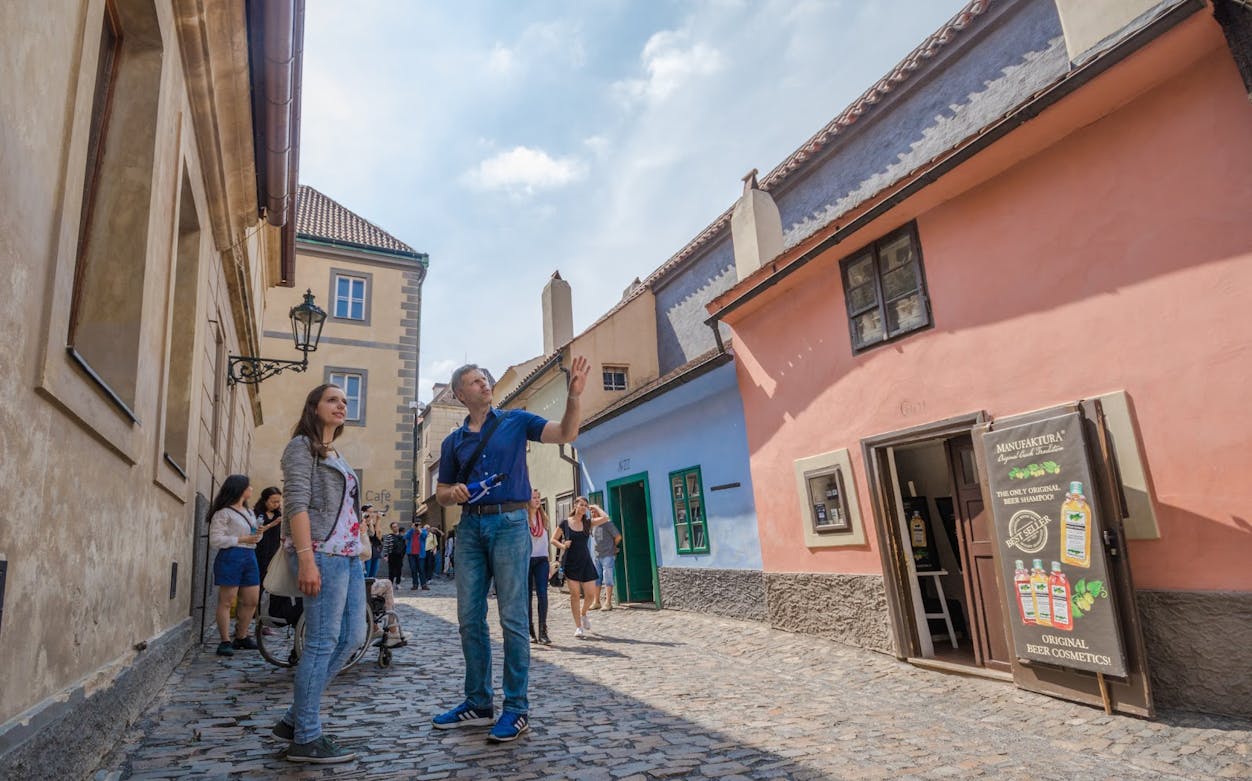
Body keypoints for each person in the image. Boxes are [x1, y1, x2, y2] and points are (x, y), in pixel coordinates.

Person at [431, 357, 589, 743]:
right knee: (469, 617)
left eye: (484, 378)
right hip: (470, 526)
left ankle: (516, 708)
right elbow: (441, 493)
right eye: (474, 381)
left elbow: (566, 433)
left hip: (511, 523)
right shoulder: (452, 441)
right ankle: (478, 703)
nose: (484, 384)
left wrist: (573, 396)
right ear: (459, 394)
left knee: (513, 619)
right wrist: (453, 492)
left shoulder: (517, 420)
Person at [271, 383, 366, 764]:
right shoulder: (301, 447)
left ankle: (296, 718)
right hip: (321, 553)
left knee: (354, 635)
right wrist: (306, 559)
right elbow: (295, 503)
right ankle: (306, 738)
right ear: (313, 407)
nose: (341, 405)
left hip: (348, 554)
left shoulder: (335, 452)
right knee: (322, 641)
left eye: (344, 401)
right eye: (332, 400)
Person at [208, 474, 262, 656]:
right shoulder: (223, 513)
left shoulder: (249, 512)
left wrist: (258, 534)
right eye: (249, 486)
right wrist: (241, 538)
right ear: (240, 489)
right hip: (231, 555)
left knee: (252, 599)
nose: (251, 489)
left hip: (250, 554)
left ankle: (242, 636)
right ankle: (224, 641)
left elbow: (254, 536)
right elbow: (215, 539)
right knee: (227, 600)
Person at [552, 497, 612, 638]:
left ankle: (583, 613)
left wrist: (595, 507)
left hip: (585, 562)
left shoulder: (587, 523)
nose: (584, 507)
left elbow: (606, 518)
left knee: (590, 595)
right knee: (575, 595)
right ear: (575, 505)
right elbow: (553, 539)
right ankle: (578, 626)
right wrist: (562, 545)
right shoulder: (565, 523)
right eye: (581, 505)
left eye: (585, 505)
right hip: (570, 563)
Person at [526, 490, 552, 645]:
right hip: (527, 560)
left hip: (542, 559)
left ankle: (543, 630)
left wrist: (549, 560)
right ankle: (530, 630)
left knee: (542, 594)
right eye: (533, 498)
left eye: (538, 498)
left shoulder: (543, 518)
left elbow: (546, 541)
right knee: (527, 596)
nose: (536, 500)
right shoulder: (523, 519)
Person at [590, 510, 622, 610]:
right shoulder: (593, 525)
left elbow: (618, 537)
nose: (593, 514)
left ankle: (608, 602)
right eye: (591, 512)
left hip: (608, 555)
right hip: (596, 556)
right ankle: (596, 602)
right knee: (596, 579)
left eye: (595, 511)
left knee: (608, 577)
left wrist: (613, 547)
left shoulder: (608, 524)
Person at [252, 486, 284, 584]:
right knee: (258, 580)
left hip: (274, 552)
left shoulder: (279, 515)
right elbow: (254, 533)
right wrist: (271, 524)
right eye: (273, 501)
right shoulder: (256, 513)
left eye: (278, 501)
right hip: (258, 551)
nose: (276, 504)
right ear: (265, 501)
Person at [405, 522, 429, 590]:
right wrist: (412, 529)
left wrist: (419, 530)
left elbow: (425, 536)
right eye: (416, 524)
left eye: (418, 525)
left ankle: (423, 584)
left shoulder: (423, 531)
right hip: (411, 554)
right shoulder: (411, 531)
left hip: (420, 554)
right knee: (413, 569)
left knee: (421, 569)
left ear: (421, 525)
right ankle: (415, 584)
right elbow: (405, 537)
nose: (417, 526)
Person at [362, 505, 383, 579]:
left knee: (372, 576)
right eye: (370, 512)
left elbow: (378, 536)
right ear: (364, 512)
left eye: (373, 512)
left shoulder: (373, 524)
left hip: (374, 551)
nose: (372, 514)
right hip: (365, 552)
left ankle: (370, 590)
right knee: (365, 575)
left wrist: (378, 520)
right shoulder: (360, 523)